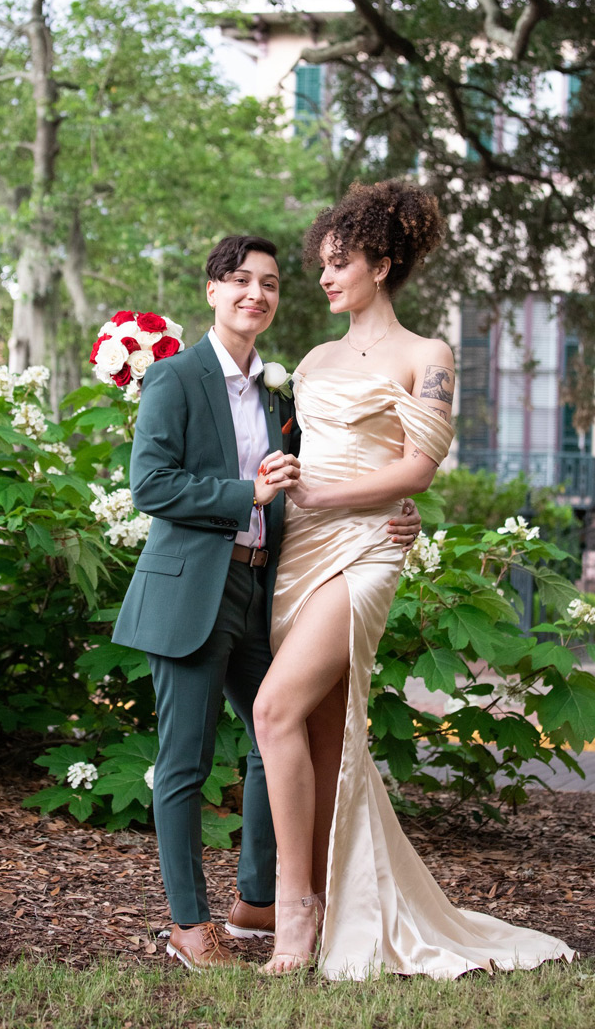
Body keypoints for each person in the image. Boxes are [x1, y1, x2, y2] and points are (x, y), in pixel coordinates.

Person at [253, 181, 575, 979]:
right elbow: (299, 455)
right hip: (300, 551)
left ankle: (294, 909)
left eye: (341, 263)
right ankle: (333, 898)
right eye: (323, 263)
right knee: (322, 732)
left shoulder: (428, 356)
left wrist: (333, 497)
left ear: (382, 264)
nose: (325, 277)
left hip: (368, 548)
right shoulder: (314, 360)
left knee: (272, 708)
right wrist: (286, 484)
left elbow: (416, 471)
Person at [112, 234, 422, 969]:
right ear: (213, 291)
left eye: (271, 284)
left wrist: (394, 511)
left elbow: (328, 474)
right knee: (184, 761)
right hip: (191, 590)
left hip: (262, 588)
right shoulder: (175, 378)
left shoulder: (284, 392)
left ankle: (257, 900)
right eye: (241, 280)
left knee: (275, 732)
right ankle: (189, 925)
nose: (256, 294)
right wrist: (244, 493)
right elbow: (150, 485)